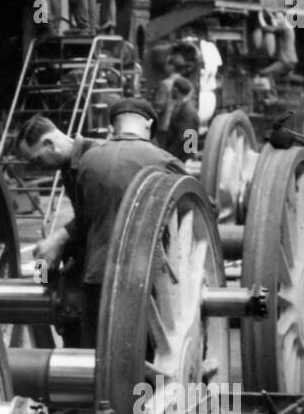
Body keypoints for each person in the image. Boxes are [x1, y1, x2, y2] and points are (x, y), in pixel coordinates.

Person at [17, 102, 183, 346]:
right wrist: (47, 262)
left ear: (50, 144)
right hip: (96, 259)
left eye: (37, 160)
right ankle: (46, 311)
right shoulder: (70, 167)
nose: (37, 167)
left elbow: (100, 216)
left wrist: (59, 238)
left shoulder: (95, 158)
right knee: (43, 273)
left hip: (119, 266)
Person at [163, 76, 200, 160]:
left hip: (181, 158)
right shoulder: (181, 107)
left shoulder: (187, 111)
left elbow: (185, 138)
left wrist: (170, 155)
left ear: (175, 90)